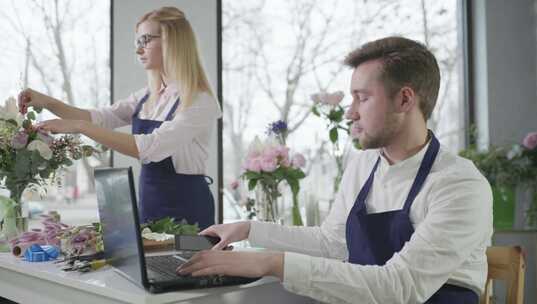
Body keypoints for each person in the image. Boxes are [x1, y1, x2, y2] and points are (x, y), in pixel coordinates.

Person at [175, 37, 492, 304]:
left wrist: (269, 262)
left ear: (405, 99)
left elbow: (400, 287)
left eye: (362, 98)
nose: (351, 113)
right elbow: (332, 243)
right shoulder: (364, 164)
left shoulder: (459, 184)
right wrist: (248, 229)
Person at [17, 7, 220, 229]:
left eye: (146, 39)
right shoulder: (147, 97)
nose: (139, 50)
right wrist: (48, 102)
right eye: (137, 42)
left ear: (173, 42)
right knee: (152, 264)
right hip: (151, 206)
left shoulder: (200, 100)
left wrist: (79, 126)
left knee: (184, 264)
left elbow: (150, 147)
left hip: (188, 211)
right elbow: (100, 118)